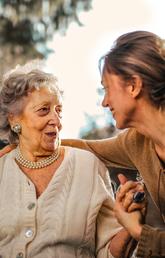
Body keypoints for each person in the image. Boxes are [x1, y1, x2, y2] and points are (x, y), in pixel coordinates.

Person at [0, 62, 138, 258]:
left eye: (59, 110)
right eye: (43, 110)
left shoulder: (88, 166)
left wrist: (130, 226)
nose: (56, 120)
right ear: (14, 119)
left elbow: (109, 252)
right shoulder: (2, 168)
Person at [60, 31, 165, 257]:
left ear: (134, 85)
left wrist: (137, 229)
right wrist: (27, 143)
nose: (105, 102)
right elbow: (87, 148)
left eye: (107, 88)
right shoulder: (136, 142)